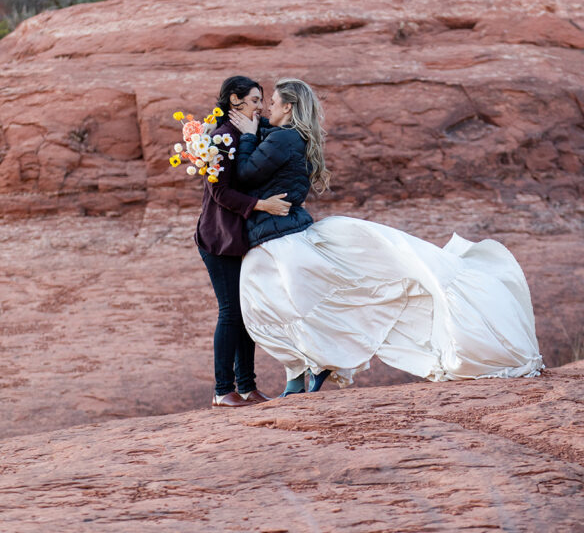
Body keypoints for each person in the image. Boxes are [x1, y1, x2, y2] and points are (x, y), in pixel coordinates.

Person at [231, 78, 544, 397]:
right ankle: (304, 373)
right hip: (274, 232)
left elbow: (244, 175)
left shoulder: (283, 139)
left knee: (269, 308)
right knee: (284, 307)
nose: (267, 107)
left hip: (276, 235)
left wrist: (245, 138)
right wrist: (254, 134)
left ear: (288, 107)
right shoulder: (286, 137)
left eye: (273, 101)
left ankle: (310, 369)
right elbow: (265, 154)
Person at [195, 75, 291, 407]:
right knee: (231, 311)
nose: (260, 107)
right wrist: (261, 205)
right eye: (253, 100)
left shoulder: (251, 132)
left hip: (242, 236)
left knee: (245, 310)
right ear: (234, 102)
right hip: (218, 237)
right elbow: (219, 192)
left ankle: (247, 387)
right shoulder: (221, 139)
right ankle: (223, 390)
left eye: (261, 101)